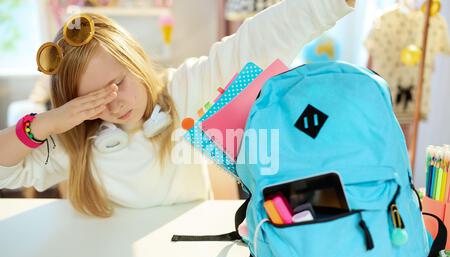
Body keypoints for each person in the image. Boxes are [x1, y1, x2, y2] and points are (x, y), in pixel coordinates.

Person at [0, 0, 356, 217]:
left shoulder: (184, 89)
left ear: (136, 60)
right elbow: (5, 173)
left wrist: (326, 3)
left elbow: (256, 41)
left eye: (118, 84)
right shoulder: (76, 141)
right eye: (92, 100)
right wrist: (45, 123)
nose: (115, 104)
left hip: (188, 256)